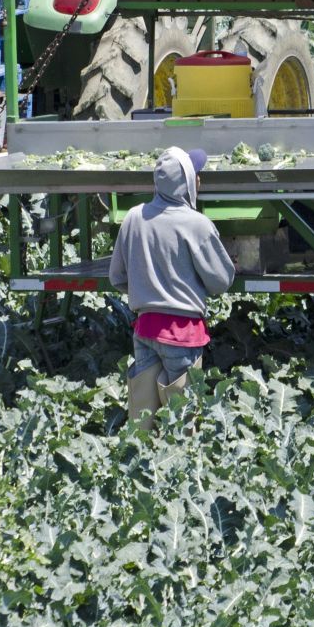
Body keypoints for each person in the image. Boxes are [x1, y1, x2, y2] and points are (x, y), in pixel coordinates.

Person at [109, 147, 236, 431]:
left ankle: (141, 467)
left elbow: (117, 277)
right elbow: (221, 281)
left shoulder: (133, 217)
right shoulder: (197, 224)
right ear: (190, 183)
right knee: (182, 424)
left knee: (144, 418)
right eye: (197, 175)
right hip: (182, 334)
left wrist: (147, 286)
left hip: (145, 330)